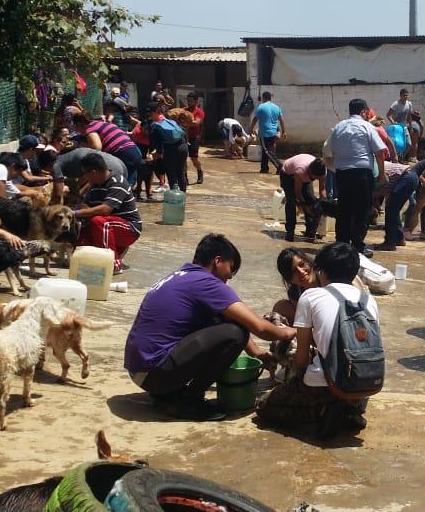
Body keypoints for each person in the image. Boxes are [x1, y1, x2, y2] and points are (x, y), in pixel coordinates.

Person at [125, 233, 295, 421]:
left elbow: (228, 319)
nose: (228, 279)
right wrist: (288, 332)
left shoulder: (181, 276)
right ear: (218, 261)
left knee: (229, 323)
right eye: (229, 270)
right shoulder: (206, 282)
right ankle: (191, 401)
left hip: (140, 371)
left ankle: (170, 394)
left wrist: (257, 353)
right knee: (235, 334)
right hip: (155, 373)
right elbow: (259, 328)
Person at [256, 242, 375, 438]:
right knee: (280, 309)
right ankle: (346, 409)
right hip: (365, 374)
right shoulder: (367, 298)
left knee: (264, 407)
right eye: (294, 272)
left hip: (330, 368)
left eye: (303, 265)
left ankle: (324, 410)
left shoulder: (311, 297)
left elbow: (302, 358)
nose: (301, 272)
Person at [328, 99, 387, 258]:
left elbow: (330, 151)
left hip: (342, 175)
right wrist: (382, 174)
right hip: (362, 175)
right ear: (363, 112)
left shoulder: (339, 127)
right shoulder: (367, 126)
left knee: (344, 210)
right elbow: (380, 151)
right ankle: (358, 246)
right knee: (362, 211)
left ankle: (341, 244)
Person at [73, 153, 141, 274]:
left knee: (99, 221)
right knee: (81, 248)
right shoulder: (93, 186)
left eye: (85, 173)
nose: (84, 177)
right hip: (106, 225)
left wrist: (75, 212)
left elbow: (105, 209)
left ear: (93, 172)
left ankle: (112, 263)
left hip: (129, 228)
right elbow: (86, 207)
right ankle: (116, 249)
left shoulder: (117, 181)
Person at [72, 110, 143, 187]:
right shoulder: (102, 123)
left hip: (122, 153)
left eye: (75, 127)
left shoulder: (90, 129)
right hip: (134, 151)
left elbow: (96, 148)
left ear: (78, 124)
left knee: (117, 184)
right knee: (126, 184)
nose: (76, 130)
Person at [50, 147, 126, 204]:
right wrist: (78, 193)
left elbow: (58, 196)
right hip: (119, 162)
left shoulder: (55, 165)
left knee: (100, 202)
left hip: (110, 166)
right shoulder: (68, 157)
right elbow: (87, 177)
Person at [279, 154, 326, 242]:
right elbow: (298, 192)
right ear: (310, 171)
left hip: (303, 175)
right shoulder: (301, 171)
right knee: (291, 201)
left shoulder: (323, 171)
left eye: (317, 179)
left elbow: (322, 190)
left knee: (312, 202)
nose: (314, 179)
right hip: (287, 174)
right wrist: (303, 206)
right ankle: (290, 232)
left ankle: (310, 233)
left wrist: (324, 204)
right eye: (313, 177)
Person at [373, 160, 415, 252]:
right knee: (393, 209)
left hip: (405, 177)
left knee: (391, 210)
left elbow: (385, 178)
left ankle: (390, 243)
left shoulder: (372, 169)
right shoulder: (373, 165)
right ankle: (399, 238)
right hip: (408, 176)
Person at [148, 102, 189, 192]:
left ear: (155, 112)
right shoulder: (170, 120)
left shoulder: (156, 127)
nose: (149, 116)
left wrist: (154, 155)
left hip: (172, 150)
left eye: (150, 113)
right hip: (183, 146)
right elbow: (183, 131)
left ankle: (174, 198)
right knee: (180, 172)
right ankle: (182, 196)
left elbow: (158, 149)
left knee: (172, 175)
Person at [250, 91, 286, 174]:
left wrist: (251, 128)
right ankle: (264, 168)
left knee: (267, 151)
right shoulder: (277, 107)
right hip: (273, 132)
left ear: (263, 98)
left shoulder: (261, 107)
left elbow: (255, 119)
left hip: (264, 132)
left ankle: (280, 166)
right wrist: (283, 131)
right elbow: (281, 120)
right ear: (270, 98)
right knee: (265, 150)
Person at [185, 93, 205, 184]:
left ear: (196, 101)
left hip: (194, 138)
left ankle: (200, 172)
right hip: (184, 137)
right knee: (183, 158)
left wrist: (184, 123)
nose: (189, 103)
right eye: (188, 101)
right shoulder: (184, 110)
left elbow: (196, 123)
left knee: (194, 158)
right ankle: (184, 177)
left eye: (191, 101)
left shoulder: (199, 112)